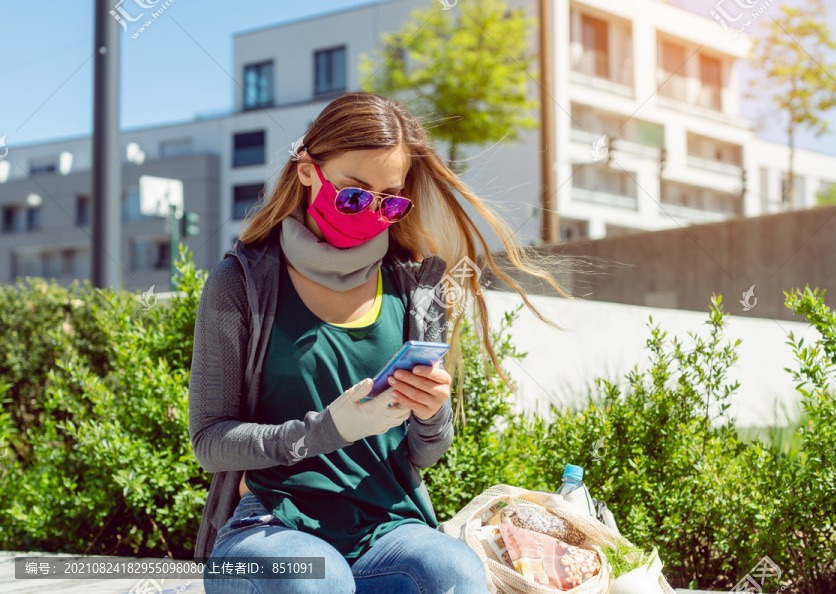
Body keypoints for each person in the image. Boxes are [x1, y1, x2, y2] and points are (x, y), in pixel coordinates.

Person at [189, 91, 571, 593]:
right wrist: (328, 429)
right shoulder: (239, 283)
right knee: (316, 581)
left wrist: (432, 413)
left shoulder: (420, 289)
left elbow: (424, 453)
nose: (370, 212)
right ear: (307, 170)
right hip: (271, 527)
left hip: (386, 526)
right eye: (353, 194)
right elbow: (210, 442)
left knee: (456, 573)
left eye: (389, 200)